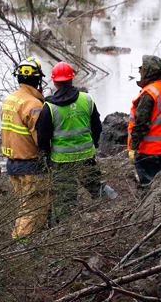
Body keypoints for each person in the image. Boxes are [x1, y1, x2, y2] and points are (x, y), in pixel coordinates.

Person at [36, 61, 110, 221]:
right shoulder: (87, 100)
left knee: (65, 199)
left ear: (55, 82)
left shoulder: (49, 107)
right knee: (96, 186)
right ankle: (115, 207)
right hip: (86, 156)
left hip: (62, 162)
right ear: (72, 79)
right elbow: (97, 127)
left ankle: (65, 228)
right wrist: (94, 145)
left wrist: (46, 159)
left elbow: (43, 138)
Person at [0, 56, 50, 240]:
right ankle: (20, 246)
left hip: (12, 164)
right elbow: (41, 139)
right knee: (33, 207)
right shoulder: (34, 105)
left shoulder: (9, 100)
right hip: (31, 164)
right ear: (38, 79)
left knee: (24, 206)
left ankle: (28, 241)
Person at [127, 55, 161, 189]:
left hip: (148, 152)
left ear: (149, 72)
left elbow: (141, 124)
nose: (139, 72)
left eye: (141, 69)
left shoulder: (149, 93)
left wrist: (133, 148)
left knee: (149, 187)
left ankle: (151, 210)